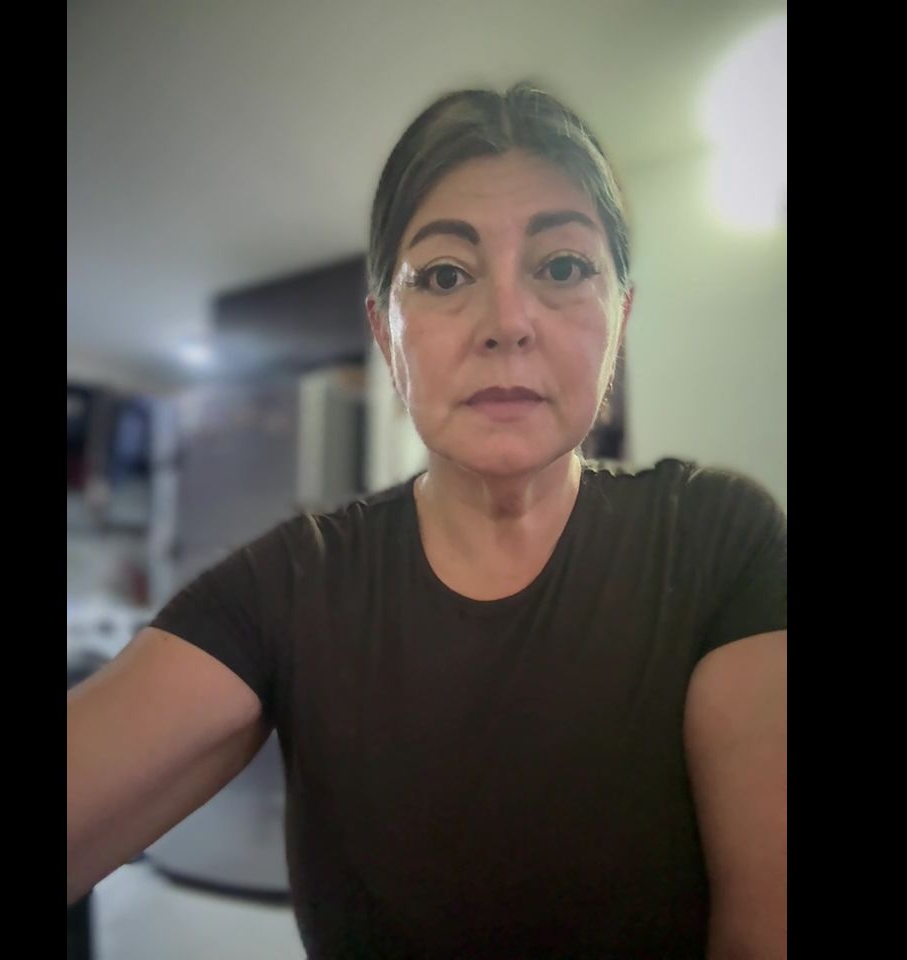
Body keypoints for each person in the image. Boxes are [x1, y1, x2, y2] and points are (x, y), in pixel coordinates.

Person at [67, 83, 787, 958]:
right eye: (445, 275)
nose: (507, 323)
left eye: (563, 267)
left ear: (622, 315)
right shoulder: (294, 586)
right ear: (385, 332)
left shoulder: (717, 540)